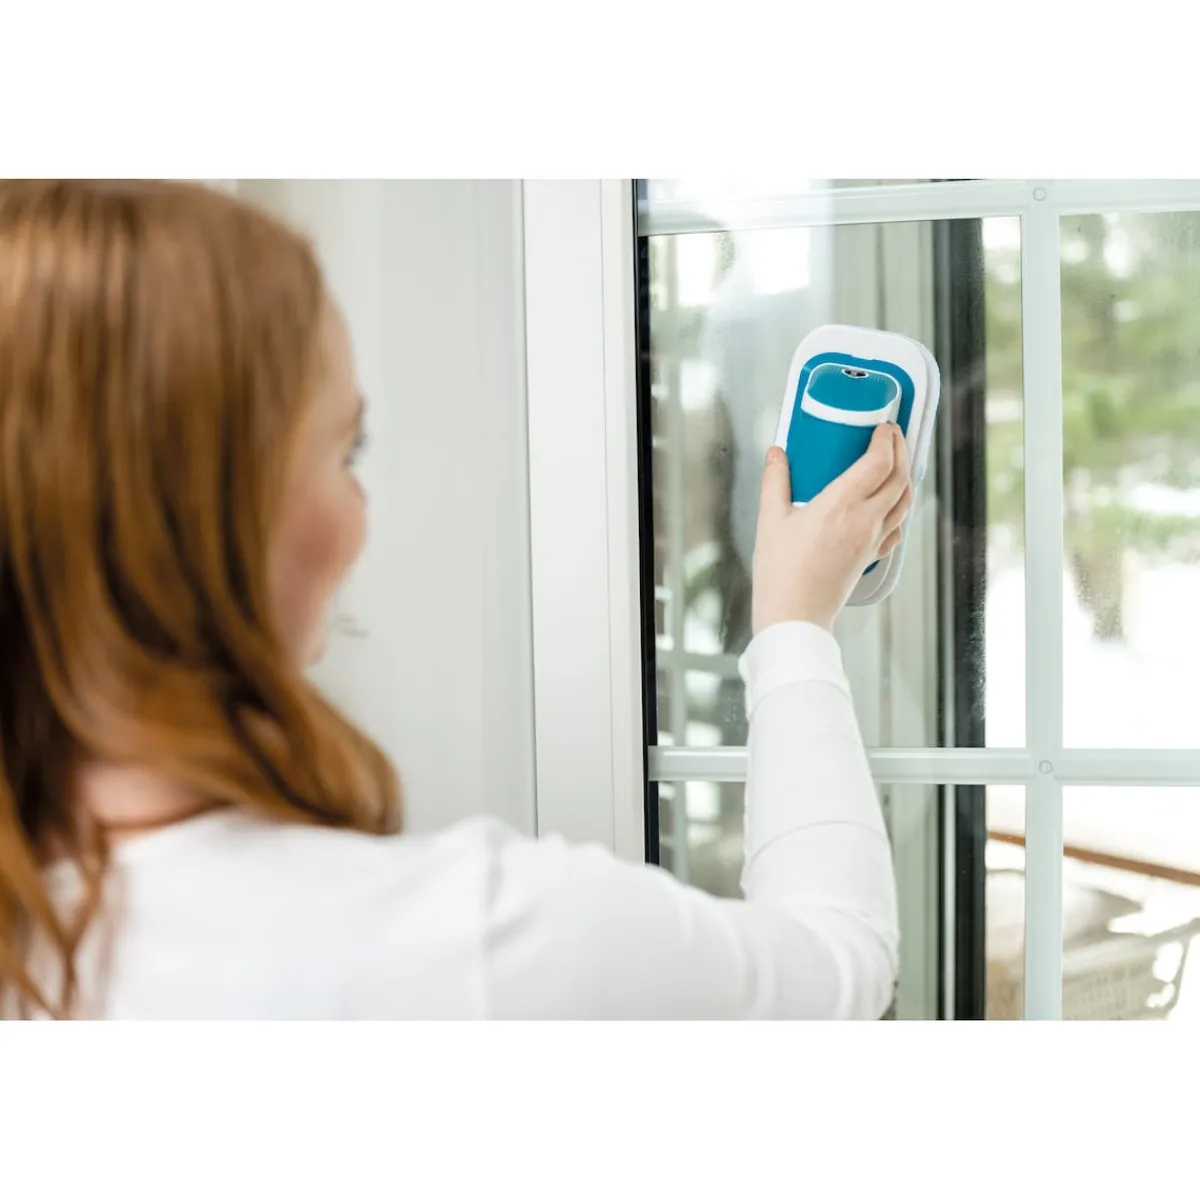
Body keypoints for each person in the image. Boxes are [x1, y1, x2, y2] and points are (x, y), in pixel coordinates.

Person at [0, 179, 912, 1020]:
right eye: (345, 452)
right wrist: (795, 625)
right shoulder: (474, 943)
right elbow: (842, 962)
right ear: (213, 513)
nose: (361, 510)